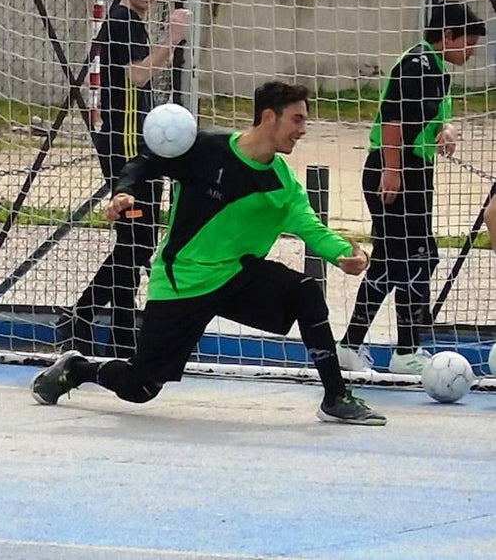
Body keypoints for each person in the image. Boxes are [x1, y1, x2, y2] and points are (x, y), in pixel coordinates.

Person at [33, 81, 386, 425]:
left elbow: (312, 228)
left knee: (305, 291)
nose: (303, 130)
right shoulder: (206, 148)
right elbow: (145, 162)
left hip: (236, 276)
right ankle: (76, 369)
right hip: (183, 280)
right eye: (297, 119)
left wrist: (346, 255)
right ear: (268, 117)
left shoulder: (283, 185)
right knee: (141, 387)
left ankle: (335, 397)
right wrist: (124, 192)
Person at [336, 3, 486, 375]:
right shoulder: (416, 65)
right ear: (447, 36)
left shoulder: (438, 71)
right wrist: (392, 169)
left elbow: (438, 118)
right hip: (396, 169)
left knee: (392, 261)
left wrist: (446, 131)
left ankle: (351, 346)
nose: (472, 51)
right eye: (468, 42)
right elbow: (393, 118)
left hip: (415, 171)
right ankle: (406, 351)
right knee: (418, 258)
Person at [61, 0, 191, 358]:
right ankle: (83, 316)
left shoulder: (129, 22)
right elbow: (137, 74)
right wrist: (174, 39)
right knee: (137, 241)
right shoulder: (123, 21)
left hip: (133, 142)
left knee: (134, 242)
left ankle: (116, 331)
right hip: (127, 147)